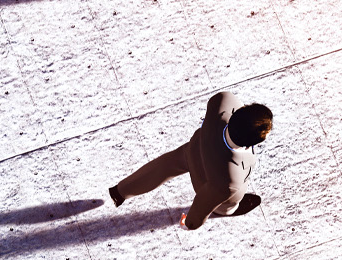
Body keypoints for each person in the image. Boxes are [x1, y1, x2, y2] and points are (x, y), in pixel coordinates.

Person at [109, 92, 272, 229]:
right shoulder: (231, 180)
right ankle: (227, 210)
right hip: (208, 183)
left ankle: (121, 191)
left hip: (193, 151)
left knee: (163, 166)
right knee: (227, 202)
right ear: (252, 143)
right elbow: (202, 204)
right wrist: (189, 223)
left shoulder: (223, 100)